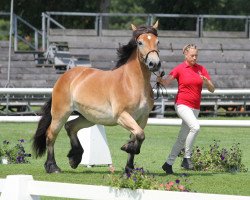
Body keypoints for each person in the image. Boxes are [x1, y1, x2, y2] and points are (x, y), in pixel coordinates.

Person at [157, 44, 215, 174]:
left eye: (196, 55)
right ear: (186, 55)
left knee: (182, 138)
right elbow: (166, 82)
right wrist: (160, 79)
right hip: (182, 104)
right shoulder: (180, 69)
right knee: (195, 127)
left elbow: (212, 90)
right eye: (192, 55)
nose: (195, 58)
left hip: (195, 107)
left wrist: (207, 82)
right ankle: (187, 158)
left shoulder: (201, 69)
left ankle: (168, 163)